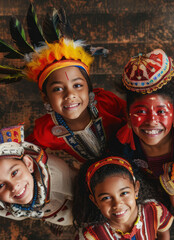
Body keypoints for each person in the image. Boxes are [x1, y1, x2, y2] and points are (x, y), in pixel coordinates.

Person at [25, 38, 127, 167]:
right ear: (45, 97)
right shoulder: (47, 130)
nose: (70, 95)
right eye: (58, 89)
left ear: (89, 88)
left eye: (77, 85)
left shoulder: (106, 103)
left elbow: (133, 117)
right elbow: (25, 151)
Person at [114, 50, 174, 179]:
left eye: (161, 112)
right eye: (141, 112)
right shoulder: (122, 149)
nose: (152, 121)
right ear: (128, 117)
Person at [73, 156, 173, 240]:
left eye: (124, 193)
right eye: (106, 198)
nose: (117, 204)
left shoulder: (154, 209)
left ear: (136, 189)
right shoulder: (92, 235)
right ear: (95, 201)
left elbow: (163, 231)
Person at [0, 125, 76, 227]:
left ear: (28, 164)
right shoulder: (6, 205)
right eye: (1, 186)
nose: (13, 186)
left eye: (14, 173)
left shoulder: (59, 176)